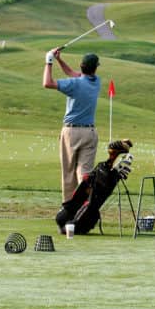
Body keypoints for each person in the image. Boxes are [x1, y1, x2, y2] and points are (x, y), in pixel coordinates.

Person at [43, 48, 101, 201]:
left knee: (69, 174)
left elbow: (47, 83)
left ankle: (69, 210)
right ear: (95, 68)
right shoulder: (96, 82)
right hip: (90, 133)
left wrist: (49, 61)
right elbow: (74, 74)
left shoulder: (74, 84)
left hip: (71, 133)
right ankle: (85, 207)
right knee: (85, 174)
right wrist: (59, 59)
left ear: (81, 65)